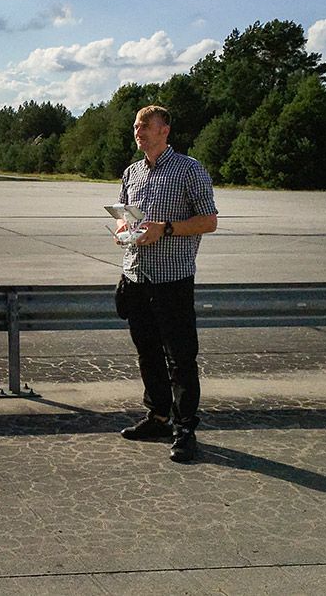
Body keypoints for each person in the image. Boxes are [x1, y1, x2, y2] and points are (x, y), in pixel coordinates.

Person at [114, 105, 218, 462]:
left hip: (172, 279)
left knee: (181, 357)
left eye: (145, 125)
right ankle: (158, 415)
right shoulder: (132, 172)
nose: (138, 131)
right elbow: (126, 216)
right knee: (147, 352)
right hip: (136, 275)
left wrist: (167, 229)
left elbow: (209, 221)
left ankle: (186, 428)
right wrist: (122, 231)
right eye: (135, 126)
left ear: (165, 131)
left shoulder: (189, 170)